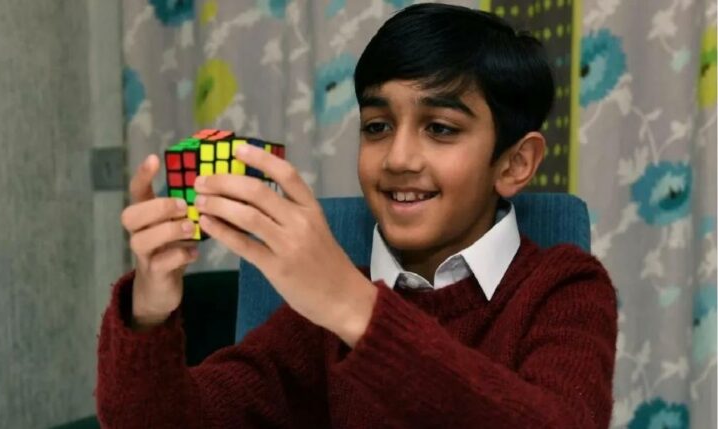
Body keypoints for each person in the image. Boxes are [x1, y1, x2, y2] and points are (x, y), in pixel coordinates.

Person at [96, 3, 617, 428]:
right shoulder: (317, 321)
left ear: (514, 162)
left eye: (440, 128)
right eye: (377, 126)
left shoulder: (565, 288)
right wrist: (148, 312)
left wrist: (351, 306)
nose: (397, 159)